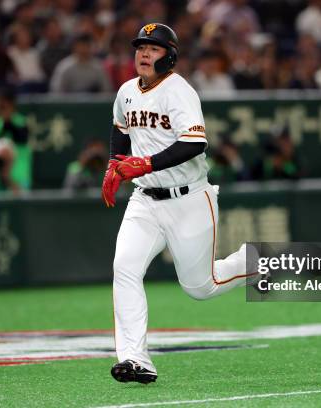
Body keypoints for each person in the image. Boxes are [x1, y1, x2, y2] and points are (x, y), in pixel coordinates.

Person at [101, 23, 259, 385]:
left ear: (169, 56)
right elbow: (120, 129)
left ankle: (253, 260)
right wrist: (114, 165)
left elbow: (195, 144)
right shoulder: (127, 92)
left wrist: (147, 162)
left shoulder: (179, 91)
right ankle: (134, 358)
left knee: (201, 287)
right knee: (124, 267)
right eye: (141, 46)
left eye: (153, 48)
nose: (144, 53)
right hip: (144, 201)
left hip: (189, 199)